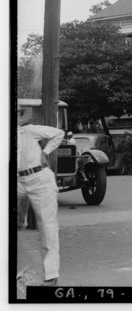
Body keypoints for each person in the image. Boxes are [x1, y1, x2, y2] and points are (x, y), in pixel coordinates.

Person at [17, 107, 64, 286]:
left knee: (47, 227)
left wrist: (45, 152)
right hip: (17, 181)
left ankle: (50, 276)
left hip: (39, 178)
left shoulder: (28, 130)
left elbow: (58, 133)